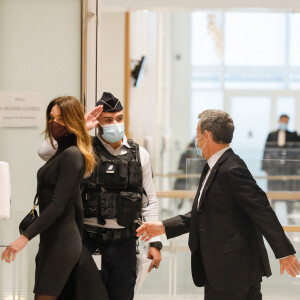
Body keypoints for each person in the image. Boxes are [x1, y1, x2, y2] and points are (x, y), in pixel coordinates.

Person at [137, 109, 300, 300]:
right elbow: (203, 213)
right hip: (223, 271)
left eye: (198, 135)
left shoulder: (231, 168)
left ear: (207, 135)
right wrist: (164, 226)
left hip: (233, 272)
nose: (196, 140)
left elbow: (261, 210)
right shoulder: (213, 166)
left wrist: (284, 253)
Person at [38, 92, 162, 300]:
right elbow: (44, 151)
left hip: (124, 244)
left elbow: (149, 202)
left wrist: (155, 244)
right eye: (108, 120)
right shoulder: (83, 148)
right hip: (89, 242)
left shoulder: (141, 154)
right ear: (98, 123)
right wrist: (78, 129)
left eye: (119, 119)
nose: (115, 124)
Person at [1, 96, 108, 300]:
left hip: (62, 242)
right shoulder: (63, 152)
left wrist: (24, 238)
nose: (54, 123)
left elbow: (58, 205)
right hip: (53, 241)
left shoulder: (72, 155)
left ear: (72, 121)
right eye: (51, 117)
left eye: (61, 118)